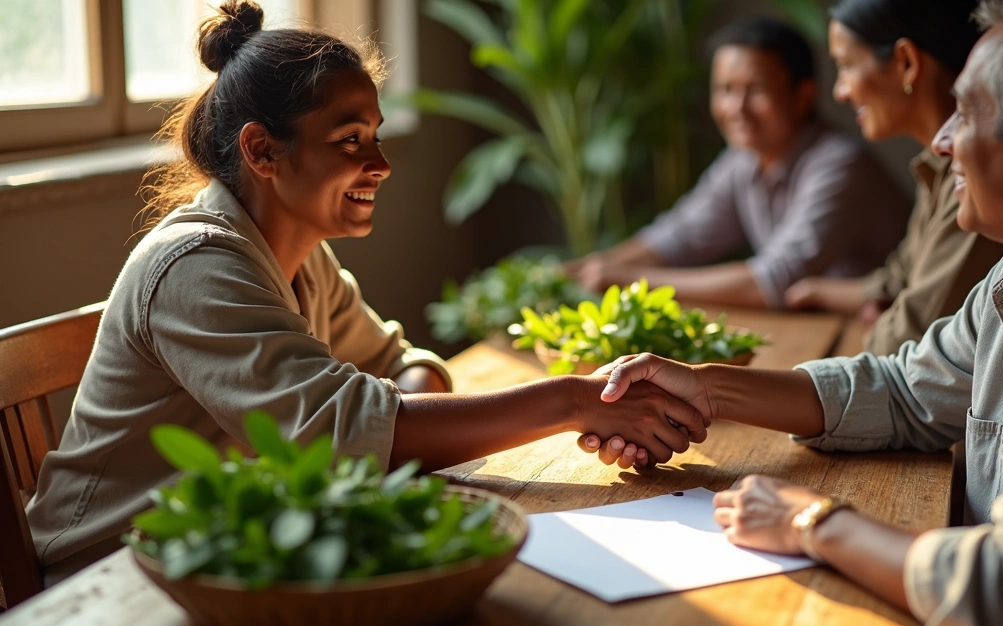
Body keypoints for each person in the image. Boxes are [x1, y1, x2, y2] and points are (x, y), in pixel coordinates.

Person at [589, 0, 1003, 626]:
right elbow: (902, 390)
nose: (942, 141)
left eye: (966, 113)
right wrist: (707, 386)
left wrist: (814, 523)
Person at [25, 1, 706, 586]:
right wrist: (573, 399)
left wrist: (398, 409)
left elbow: (392, 368)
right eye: (350, 141)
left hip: (229, 556)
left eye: (375, 136)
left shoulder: (298, 256)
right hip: (107, 580)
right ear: (262, 151)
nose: (379, 165)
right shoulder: (197, 265)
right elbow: (345, 432)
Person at [566, 17, 910, 310]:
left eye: (756, 89)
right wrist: (586, 269)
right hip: (814, 328)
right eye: (725, 90)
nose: (737, 108)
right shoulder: (742, 161)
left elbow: (771, 283)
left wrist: (627, 282)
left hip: (876, 334)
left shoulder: (839, 163)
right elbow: (679, 236)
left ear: (803, 95)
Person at [783, 0, 1003, 355]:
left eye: (845, 66)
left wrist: (885, 318)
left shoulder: (972, 178)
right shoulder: (935, 167)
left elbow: (908, 337)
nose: (839, 91)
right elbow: (897, 280)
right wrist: (821, 292)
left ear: (906, 62)